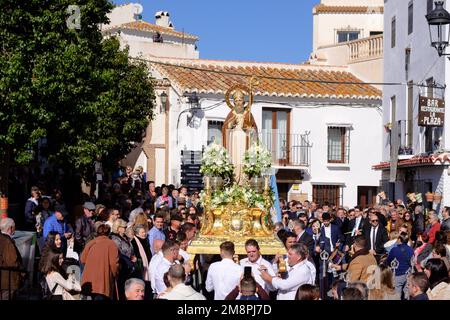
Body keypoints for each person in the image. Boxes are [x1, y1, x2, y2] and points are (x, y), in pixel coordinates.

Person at [80, 224, 119, 300]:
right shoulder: (111, 244)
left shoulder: (91, 243)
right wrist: (116, 274)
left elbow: (82, 259)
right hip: (103, 281)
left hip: (89, 281)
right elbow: (114, 264)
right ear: (108, 233)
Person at [0, 218, 24, 300]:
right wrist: (22, 271)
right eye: (14, 227)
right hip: (8, 281)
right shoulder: (7, 241)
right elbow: (12, 262)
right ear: (10, 228)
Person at [130, 224, 151, 289]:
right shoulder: (134, 242)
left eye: (145, 232)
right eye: (142, 232)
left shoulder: (145, 240)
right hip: (140, 268)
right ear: (137, 233)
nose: (144, 234)